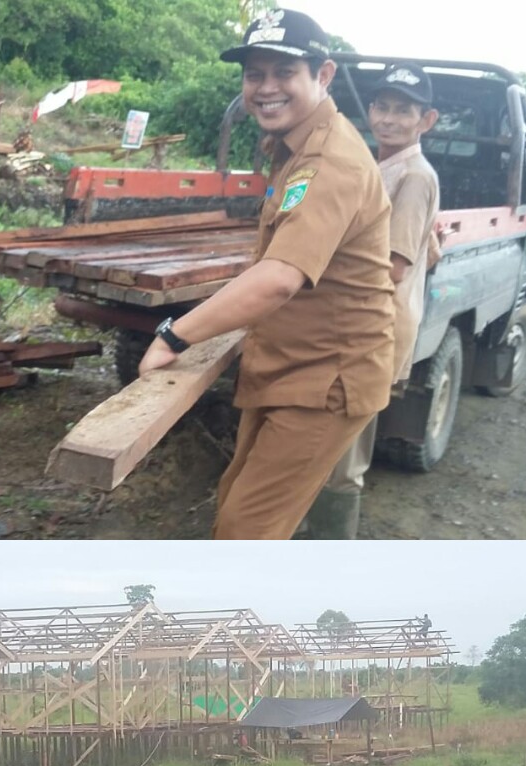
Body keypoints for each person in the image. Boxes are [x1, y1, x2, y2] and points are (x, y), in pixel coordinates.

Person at [137, 9, 394, 540]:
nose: (266, 88)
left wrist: (174, 334)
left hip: (326, 378)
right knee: (239, 506)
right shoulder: (294, 147)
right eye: (255, 74)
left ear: (322, 76)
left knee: (245, 530)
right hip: (289, 365)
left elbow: (280, 277)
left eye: (284, 73)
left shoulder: (330, 160)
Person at [301, 63, 441, 538]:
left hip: (372, 326)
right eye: (383, 106)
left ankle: (329, 549)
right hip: (362, 320)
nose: (389, 118)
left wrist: (309, 281)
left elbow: (393, 266)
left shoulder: (414, 176)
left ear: (427, 120)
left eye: (405, 110)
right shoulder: (381, 165)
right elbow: (431, 249)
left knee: (345, 450)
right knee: (331, 433)